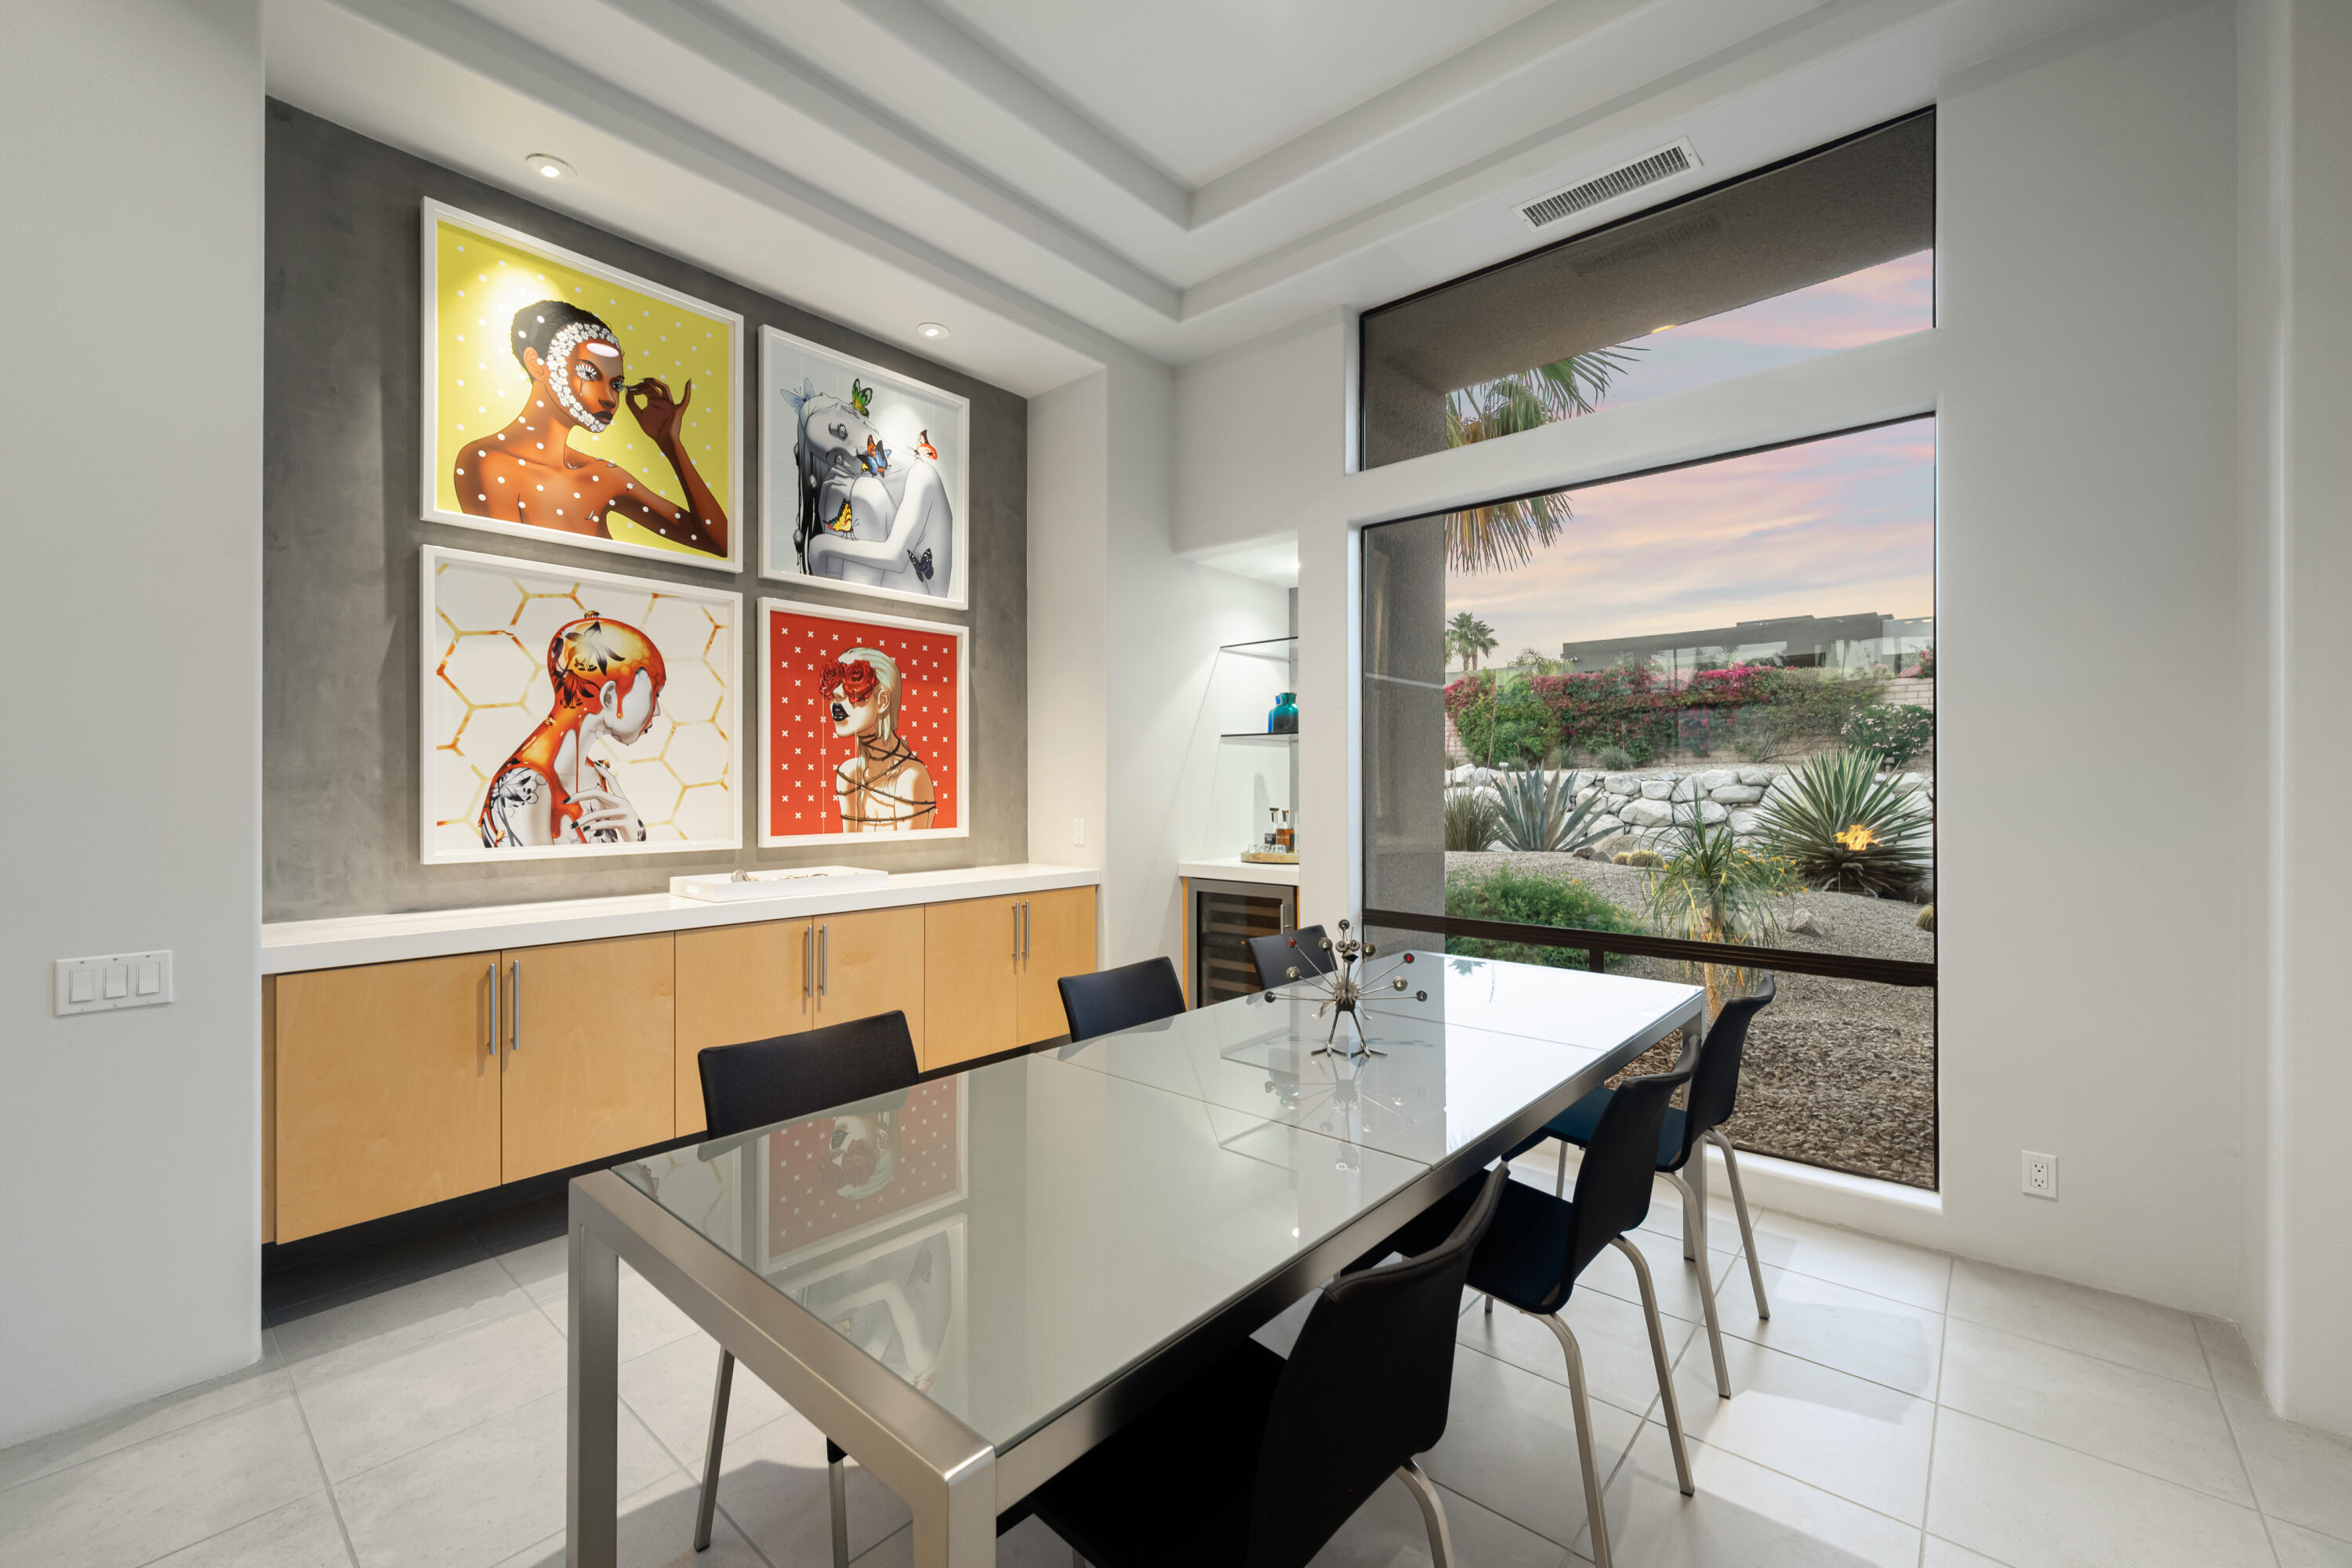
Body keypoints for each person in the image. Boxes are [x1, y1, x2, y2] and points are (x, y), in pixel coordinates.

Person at [455, 300, 729, 557]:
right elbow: (507, 572)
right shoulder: (487, 462)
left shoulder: (601, 476)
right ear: (537, 365)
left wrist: (671, 444)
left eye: (616, 384)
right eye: (588, 373)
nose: (610, 398)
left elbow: (720, 543)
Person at [479, 614, 666, 848]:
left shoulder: (595, 776)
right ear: (609, 697)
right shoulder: (524, 783)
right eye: (655, 693)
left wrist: (634, 837)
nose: (657, 711)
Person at [821, 648, 935, 831]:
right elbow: (849, 844)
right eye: (834, 682)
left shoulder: (910, 778)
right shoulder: (848, 774)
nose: (837, 694)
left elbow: (911, 849)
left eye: (852, 684)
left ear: (882, 701)